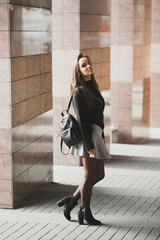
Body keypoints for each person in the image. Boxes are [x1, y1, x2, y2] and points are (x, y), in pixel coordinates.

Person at [57, 53, 111, 225]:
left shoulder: (92, 87)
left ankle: (72, 201)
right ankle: (84, 212)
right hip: (88, 137)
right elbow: (82, 121)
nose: (88, 66)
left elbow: (99, 116)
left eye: (89, 63)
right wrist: (89, 145)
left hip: (96, 135)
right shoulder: (79, 92)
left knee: (99, 174)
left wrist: (101, 137)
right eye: (84, 65)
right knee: (89, 175)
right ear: (78, 71)